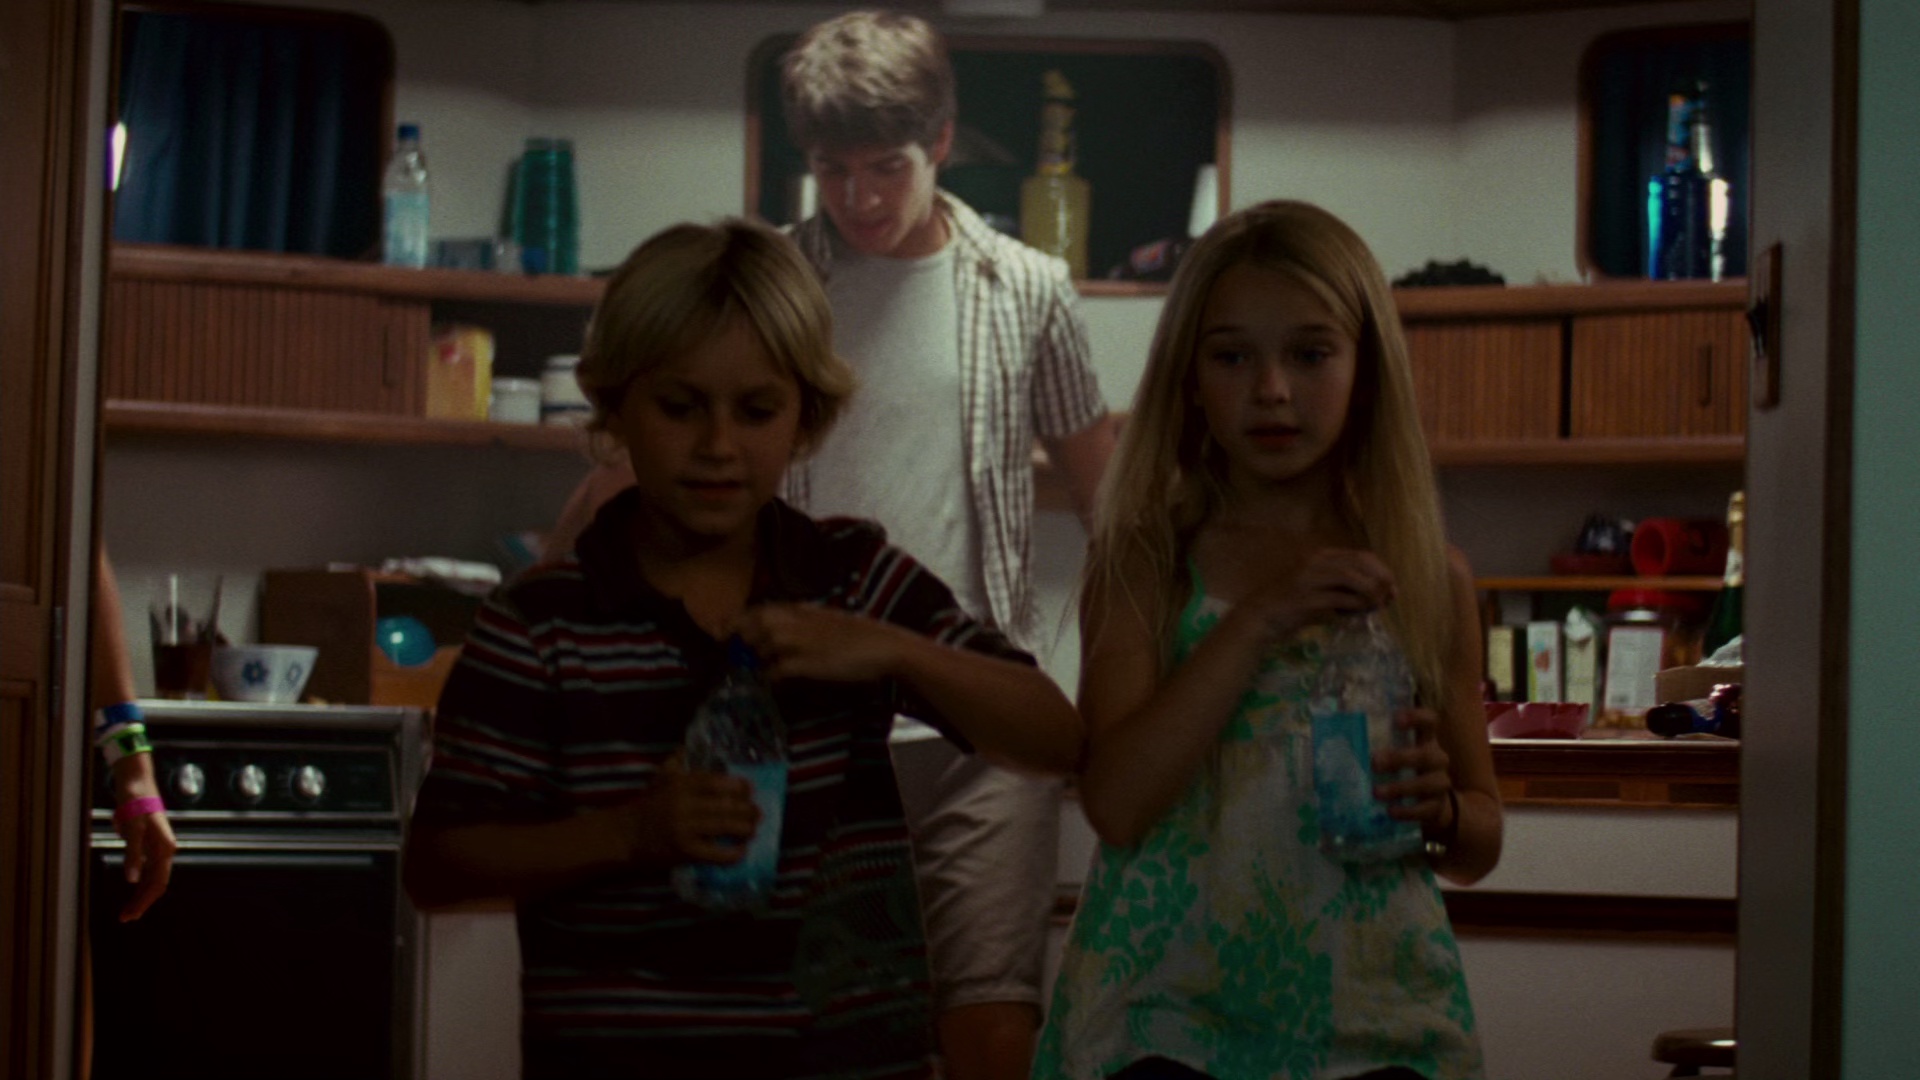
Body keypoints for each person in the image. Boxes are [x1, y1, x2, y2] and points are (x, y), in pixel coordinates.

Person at [542, 12, 1116, 1078]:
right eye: (833, 170)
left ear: (940, 143)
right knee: (799, 1028)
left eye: (885, 167)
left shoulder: (1028, 288)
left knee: (991, 1026)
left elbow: (1109, 503)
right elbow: (632, 468)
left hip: (975, 725)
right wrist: (538, 605)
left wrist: (1139, 682)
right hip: (794, 719)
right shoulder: (764, 285)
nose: (859, 196)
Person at [402, 217, 1084, 1080]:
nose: (718, 446)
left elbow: (1055, 738)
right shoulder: (542, 622)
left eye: (756, 411)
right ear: (617, 407)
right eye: (680, 407)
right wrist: (630, 832)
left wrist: (891, 651)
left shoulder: (853, 580)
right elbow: (439, 866)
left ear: (804, 418)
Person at [1033, 200, 1504, 1080]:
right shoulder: (1147, 562)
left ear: (1366, 372)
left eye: (1311, 354)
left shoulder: (1423, 575)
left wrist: (1440, 812)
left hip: (1376, 1016)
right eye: (1232, 357)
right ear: (1189, 378)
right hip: (1164, 1020)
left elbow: (1480, 839)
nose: (1272, 389)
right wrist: (1259, 619)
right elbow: (1118, 804)